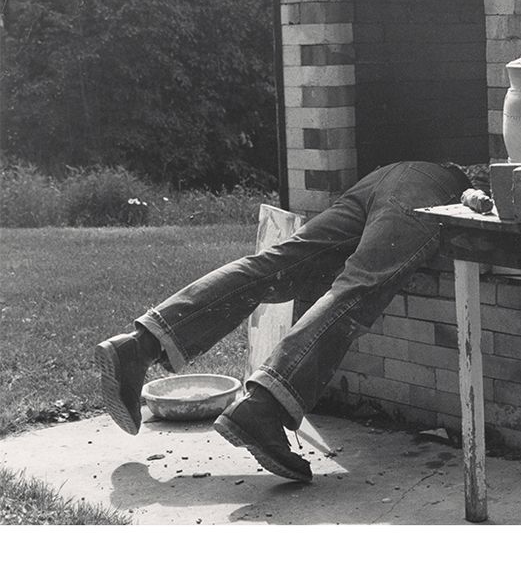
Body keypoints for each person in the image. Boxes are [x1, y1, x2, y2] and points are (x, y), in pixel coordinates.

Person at [95, 161, 491, 482]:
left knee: (275, 265)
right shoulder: (485, 173)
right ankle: (263, 408)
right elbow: (484, 201)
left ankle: (139, 344)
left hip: (381, 177)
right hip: (429, 192)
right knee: (356, 290)